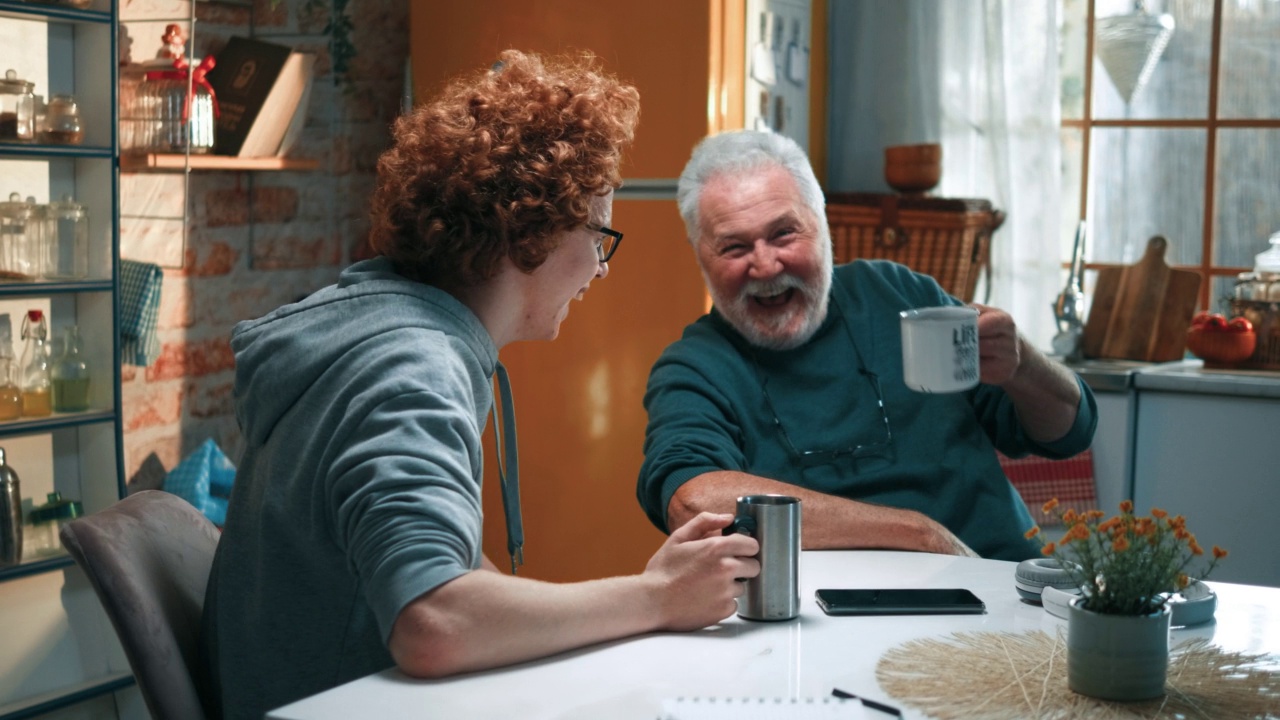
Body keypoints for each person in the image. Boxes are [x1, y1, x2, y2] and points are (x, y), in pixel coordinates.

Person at [200, 50, 760, 720]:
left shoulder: (373, 321)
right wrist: (655, 598)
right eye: (599, 234)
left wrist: (649, 594)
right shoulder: (415, 367)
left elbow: (448, 567)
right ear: (536, 230)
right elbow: (432, 622)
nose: (600, 270)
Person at [637, 129, 1097, 562]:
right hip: (826, 619)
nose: (765, 265)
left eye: (783, 233)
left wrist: (1024, 365)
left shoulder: (899, 294)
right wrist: (916, 533)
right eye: (734, 247)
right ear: (701, 257)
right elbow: (693, 500)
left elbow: (1068, 432)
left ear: (823, 226)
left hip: (995, 580)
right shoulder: (695, 366)